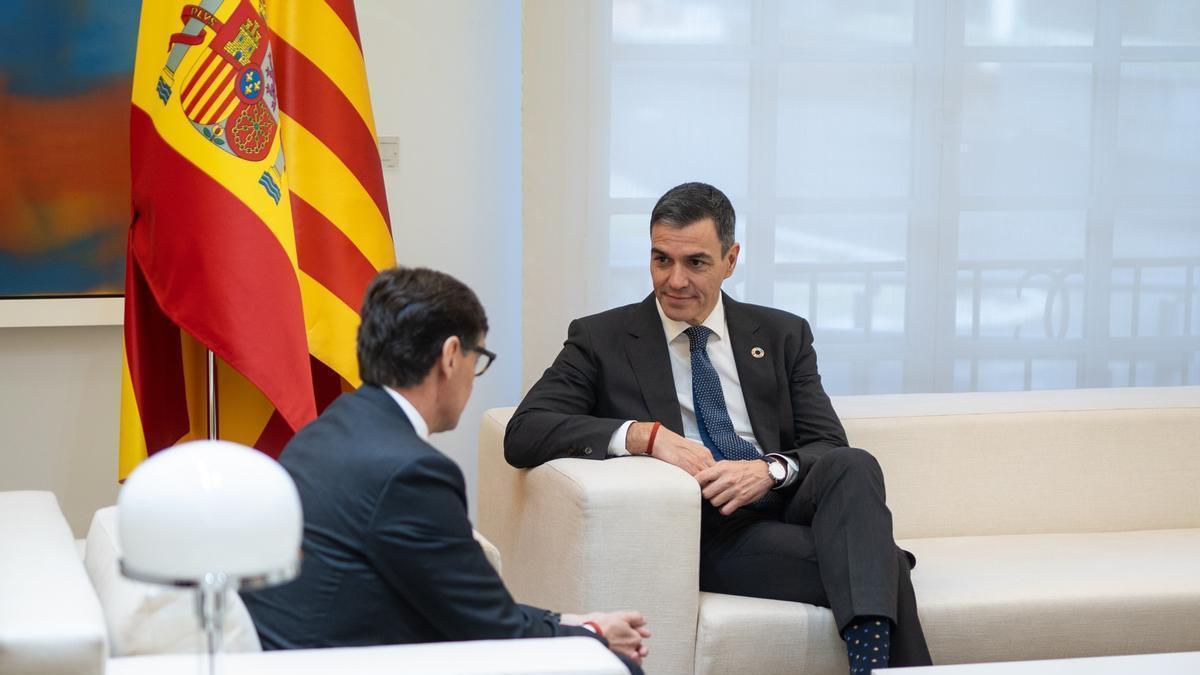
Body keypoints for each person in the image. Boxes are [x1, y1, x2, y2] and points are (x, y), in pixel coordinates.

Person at [505, 182, 932, 674]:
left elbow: (826, 444)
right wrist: (646, 436)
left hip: (788, 503)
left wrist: (769, 471)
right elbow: (526, 431)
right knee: (883, 564)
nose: (675, 280)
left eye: (696, 263)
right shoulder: (601, 338)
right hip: (715, 531)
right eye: (661, 259)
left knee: (853, 463)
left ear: (731, 259)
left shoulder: (781, 334)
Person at [241, 267, 650, 673]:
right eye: (480, 359)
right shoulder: (410, 472)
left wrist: (568, 622)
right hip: (351, 660)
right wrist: (595, 637)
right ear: (451, 356)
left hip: (304, 654)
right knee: (612, 666)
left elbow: (461, 604)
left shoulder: (327, 430)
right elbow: (494, 632)